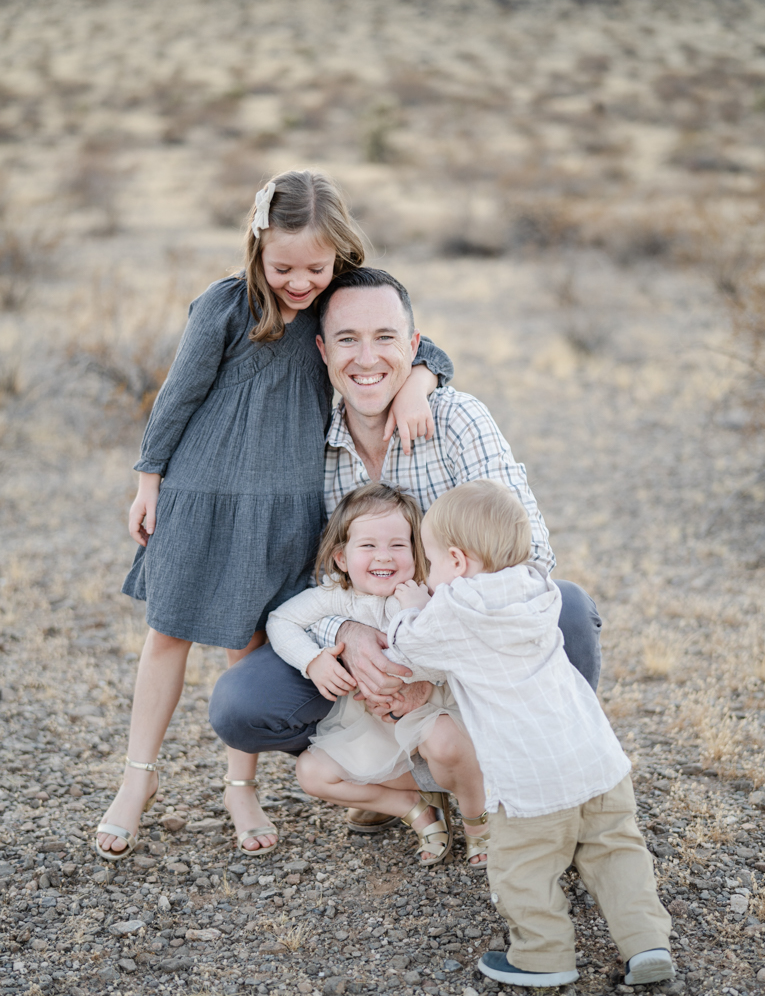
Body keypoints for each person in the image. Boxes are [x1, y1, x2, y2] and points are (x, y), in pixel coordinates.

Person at [95, 172, 452, 862]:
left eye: (315, 268)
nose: (298, 282)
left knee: (247, 646)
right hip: (203, 497)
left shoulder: (340, 304)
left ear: (339, 254)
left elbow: (420, 345)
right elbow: (178, 394)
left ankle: (240, 786)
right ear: (256, 248)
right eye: (282, 266)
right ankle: (136, 782)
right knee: (167, 636)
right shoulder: (227, 306)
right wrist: (149, 481)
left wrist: (421, 383)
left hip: (286, 508)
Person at [209, 267, 603, 837]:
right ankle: (404, 778)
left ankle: (550, 778)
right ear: (322, 349)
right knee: (241, 705)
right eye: (347, 339)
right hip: (360, 632)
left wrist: (425, 655)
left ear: (415, 347)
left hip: (463, 634)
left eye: (385, 338)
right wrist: (346, 637)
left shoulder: (456, 418)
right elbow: (294, 577)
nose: (366, 358)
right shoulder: (304, 441)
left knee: (567, 610)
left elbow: (530, 557)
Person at [385, 479, 675, 988]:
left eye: (430, 562)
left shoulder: (453, 610)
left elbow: (409, 647)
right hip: (598, 760)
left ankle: (544, 955)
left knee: (523, 867)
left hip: (532, 781)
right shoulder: (536, 584)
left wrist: (411, 603)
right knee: (617, 851)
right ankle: (646, 941)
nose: (427, 573)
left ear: (456, 560)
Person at [267, 482, 489, 868]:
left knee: (445, 745)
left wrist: (417, 643)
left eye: (397, 545)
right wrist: (313, 660)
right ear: (341, 557)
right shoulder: (337, 596)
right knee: (312, 773)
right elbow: (280, 619)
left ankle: (477, 818)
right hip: (377, 727)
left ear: (416, 551)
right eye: (367, 546)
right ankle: (416, 807)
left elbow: (454, 657)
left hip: (434, 714)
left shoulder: (426, 594)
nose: (383, 556)